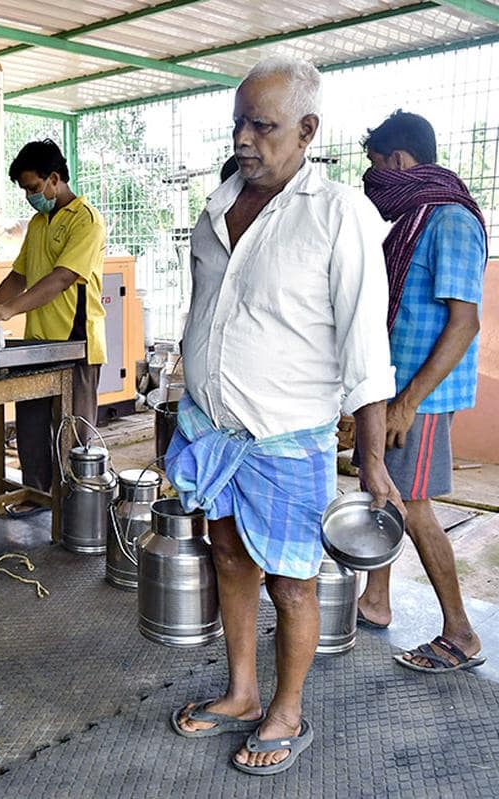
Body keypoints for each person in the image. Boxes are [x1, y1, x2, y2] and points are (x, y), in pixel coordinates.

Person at [165, 57, 402, 775]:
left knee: (292, 579)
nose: (243, 138)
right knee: (228, 556)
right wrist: (172, 400)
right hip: (212, 428)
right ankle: (241, 691)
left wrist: (371, 459)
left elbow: (365, 344)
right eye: (238, 122)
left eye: (261, 126)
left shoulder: (338, 215)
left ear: (306, 130)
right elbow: (203, 315)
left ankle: (288, 709)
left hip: (286, 437)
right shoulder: (218, 204)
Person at [356, 110, 488, 672]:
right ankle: (376, 601)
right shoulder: (414, 220)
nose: (375, 184)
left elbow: (465, 323)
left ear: (402, 162)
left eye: (378, 169)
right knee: (384, 492)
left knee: (411, 505)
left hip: (422, 397)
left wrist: (406, 403)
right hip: (396, 389)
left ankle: (460, 633)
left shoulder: (450, 220)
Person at [0, 139, 106, 492]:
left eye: (34, 188)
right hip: (37, 344)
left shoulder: (86, 221)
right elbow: (18, 276)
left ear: (54, 178)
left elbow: (62, 277)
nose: (30, 196)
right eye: (25, 190)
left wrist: (10, 309)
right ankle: (36, 497)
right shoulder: (39, 223)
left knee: (72, 435)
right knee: (32, 430)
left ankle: (74, 505)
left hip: (76, 344)